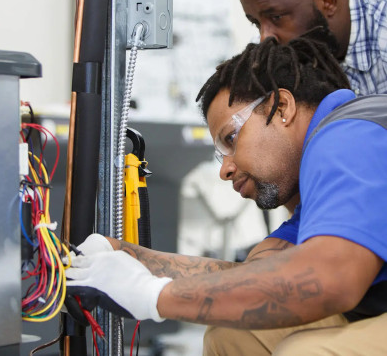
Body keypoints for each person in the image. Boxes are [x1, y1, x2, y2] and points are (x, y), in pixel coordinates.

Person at [66, 37, 387, 355]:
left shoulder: (348, 135)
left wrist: (156, 297)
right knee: (233, 334)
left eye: (231, 138)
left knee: (305, 352)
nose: (225, 170)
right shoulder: (328, 174)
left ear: (282, 108)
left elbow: (331, 279)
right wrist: (121, 254)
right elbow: (258, 277)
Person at [239, 0, 387, 97]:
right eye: (256, 23)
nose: (264, 37)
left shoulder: (382, 8)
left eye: (276, 17)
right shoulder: (274, 47)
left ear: (327, 0)